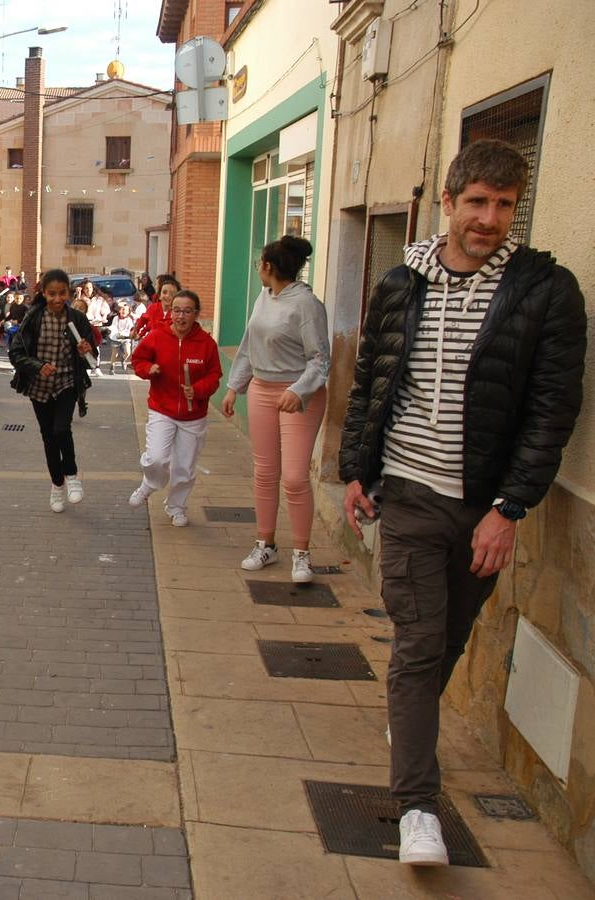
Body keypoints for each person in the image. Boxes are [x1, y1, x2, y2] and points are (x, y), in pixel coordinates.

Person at [338, 139, 585, 867]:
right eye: (476, 202)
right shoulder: (398, 284)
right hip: (409, 493)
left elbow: (551, 409)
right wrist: (356, 468)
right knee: (416, 645)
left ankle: (405, 724)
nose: (488, 218)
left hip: (482, 506)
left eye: (504, 205)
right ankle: (416, 806)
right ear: (447, 203)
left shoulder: (546, 291)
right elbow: (371, 383)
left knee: (446, 641)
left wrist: (508, 509)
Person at [221, 235, 329, 583]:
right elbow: (250, 346)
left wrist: (298, 390)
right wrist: (234, 386)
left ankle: (302, 554)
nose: (257, 270)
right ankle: (265, 543)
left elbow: (320, 359)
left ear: (268, 266)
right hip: (261, 391)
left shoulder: (307, 304)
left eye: (259, 264)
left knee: (295, 478)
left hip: (299, 396)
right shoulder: (264, 297)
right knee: (265, 472)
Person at [128, 290, 223, 527]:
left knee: (184, 466)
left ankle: (176, 506)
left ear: (196, 314)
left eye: (187, 311)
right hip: (162, 408)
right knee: (157, 458)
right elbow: (137, 360)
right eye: (176, 311)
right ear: (171, 313)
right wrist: (148, 369)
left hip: (193, 415)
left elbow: (215, 375)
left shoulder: (206, 343)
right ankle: (150, 483)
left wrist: (199, 389)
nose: (181, 316)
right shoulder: (157, 336)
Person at [9, 268, 97, 513]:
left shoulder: (77, 320)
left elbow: (93, 359)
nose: (57, 299)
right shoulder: (33, 317)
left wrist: (86, 350)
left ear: (69, 292)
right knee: (49, 436)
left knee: (62, 429)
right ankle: (57, 486)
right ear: (43, 293)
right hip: (39, 387)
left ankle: (71, 476)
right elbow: (15, 354)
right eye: (52, 294)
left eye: (62, 293)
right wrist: (37, 367)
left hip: (67, 383)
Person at [133, 274, 176, 341]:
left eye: (157, 284)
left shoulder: (177, 312)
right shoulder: (154, 307)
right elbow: (147, 320)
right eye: (164, 293)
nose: (155, 286)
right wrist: (138, 332)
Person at [103, 299, 137, 375]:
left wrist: (125, 335)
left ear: (128, 312)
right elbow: (113, 327)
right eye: (122, 309)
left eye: (125, 310)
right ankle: (112, 367)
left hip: (125, 338)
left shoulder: (129, 320)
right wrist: (111, 330)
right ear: (119, 310)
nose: (123, 311)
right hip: (116, 337)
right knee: (115, 353)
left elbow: (129, 329)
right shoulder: (116, 318)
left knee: (128, 352)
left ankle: (123, 359)